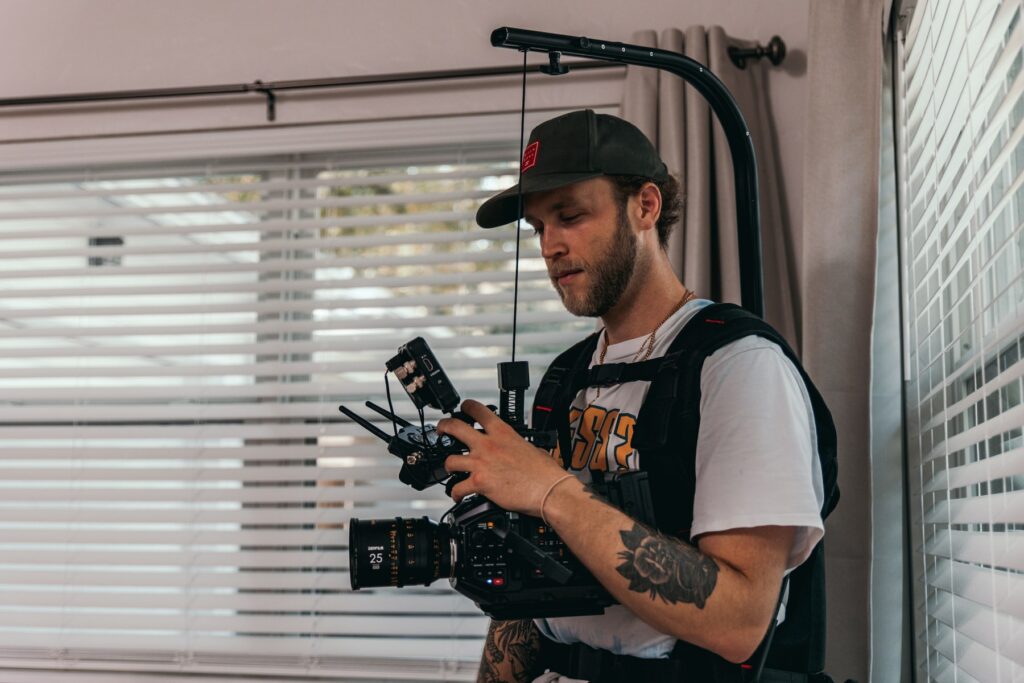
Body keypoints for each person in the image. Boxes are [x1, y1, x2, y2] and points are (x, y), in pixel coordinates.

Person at [436, 109, 828, 683]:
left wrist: (551, 491)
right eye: (539, 228)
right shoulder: (566, 376)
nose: (549, 246)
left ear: (645, 206)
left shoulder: (739, 366)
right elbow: (531, 598)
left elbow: (741, 620)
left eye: (569, 217)